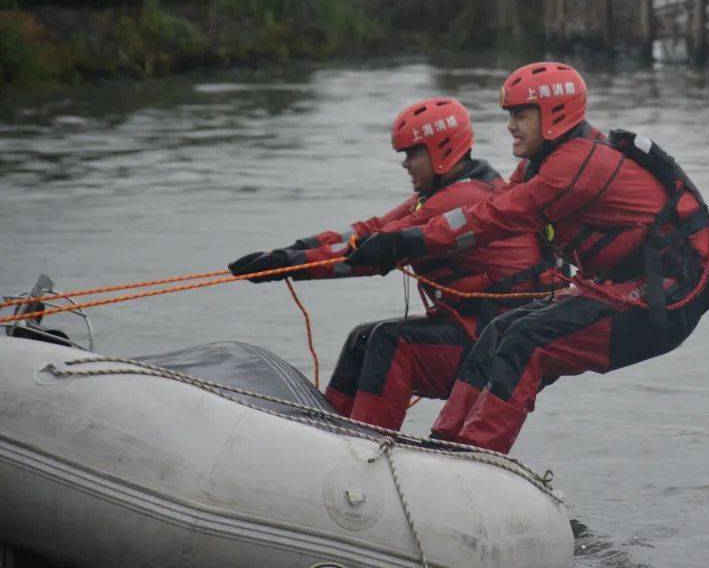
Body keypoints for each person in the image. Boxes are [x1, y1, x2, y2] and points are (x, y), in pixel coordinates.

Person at [345, 62, 709, 453]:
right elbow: (493, 204)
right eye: (510, 115)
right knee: (500, 332)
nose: (510, 125)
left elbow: (494, 218)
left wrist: (408, 241)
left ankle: (476, 457)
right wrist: (397, 237)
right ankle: (446, 445)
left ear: (555, 115)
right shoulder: (544, 163)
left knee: (527, 339)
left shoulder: (576, 166)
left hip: (669, 299)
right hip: (629, 287)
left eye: (520, 115)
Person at [228, 97, 560, 431]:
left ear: (441, 151)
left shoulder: (461, 199)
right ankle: (329, 432)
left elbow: (373, 252)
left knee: (392, 341)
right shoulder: (442, 194)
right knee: (363, 338)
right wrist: (294, 251)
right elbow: (370, 230)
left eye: (413, 154)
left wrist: (292, 266)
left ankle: (365, 443)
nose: (406, 164)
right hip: (472, 330)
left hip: (493, 345)